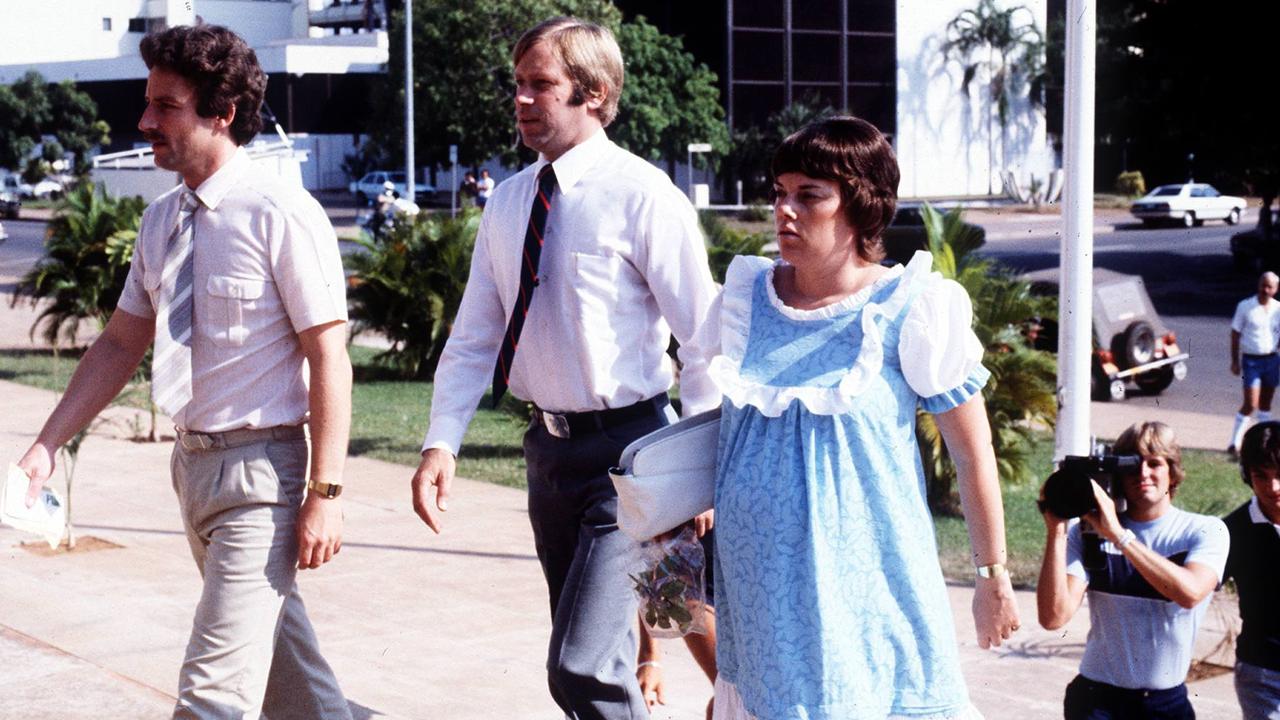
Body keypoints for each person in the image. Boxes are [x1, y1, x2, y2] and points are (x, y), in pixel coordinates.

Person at [14, 24, 353, 719]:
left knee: (211, 695)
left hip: (264, 478)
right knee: (290, 676)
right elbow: (118, 343)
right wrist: (48, 443)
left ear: (221, 113)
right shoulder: (163, 220)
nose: (144, 121)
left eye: (165, 106)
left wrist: (327, 490)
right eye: (149, 103)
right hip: (193, 471)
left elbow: (329, 354)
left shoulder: (281, 213)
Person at [408, 16, 719, 719]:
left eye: (540, 84)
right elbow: (473, 335)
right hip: (548, 456)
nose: (521, 99)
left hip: (631, 457)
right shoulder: (513, 200)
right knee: (593, 657)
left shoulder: (644, 197)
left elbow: (705, 339)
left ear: (595, 92)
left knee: (582, 663)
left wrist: (704, 469)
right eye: (517, 84)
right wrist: (440, 442)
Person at [692, 116, 1020, 719]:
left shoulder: (912, 308)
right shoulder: (741, 300)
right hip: (758, 597)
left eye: (808, 195)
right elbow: (703, 409)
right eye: (779, 193)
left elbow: (973, 454)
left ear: (861, 206)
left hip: (867, 597)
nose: (784, 210)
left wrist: (991, 574)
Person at [1037, 421, 1229, 720]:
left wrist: (1120, 537)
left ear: (1173, 471)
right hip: (1097, 699)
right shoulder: (1088, 535)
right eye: (1133, 466)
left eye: (1155, 463)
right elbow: (1053, 617)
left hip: (1165, 702)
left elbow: (1189, 593)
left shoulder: (1204, 530)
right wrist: (1056, 532)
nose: (1143, 474)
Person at [1225, 421, 1280, 719]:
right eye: (1262, 476)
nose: (1273, 488)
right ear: (1247, 475)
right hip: (1263, 675)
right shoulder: (1233, 531)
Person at [1229, 272, 1280, 456]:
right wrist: (1235, 361)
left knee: (1265, 404)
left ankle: (1262, 443)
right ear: (1258, 285)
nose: (1265, 290)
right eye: (1263, 286)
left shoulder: (1278, 309)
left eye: (1270, 287)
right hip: (1251, 360)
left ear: (1276, 289)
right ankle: (1234, 443)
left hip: (1272, 359)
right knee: (1251, 403)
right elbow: (1235, 334)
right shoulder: (1246, 307)